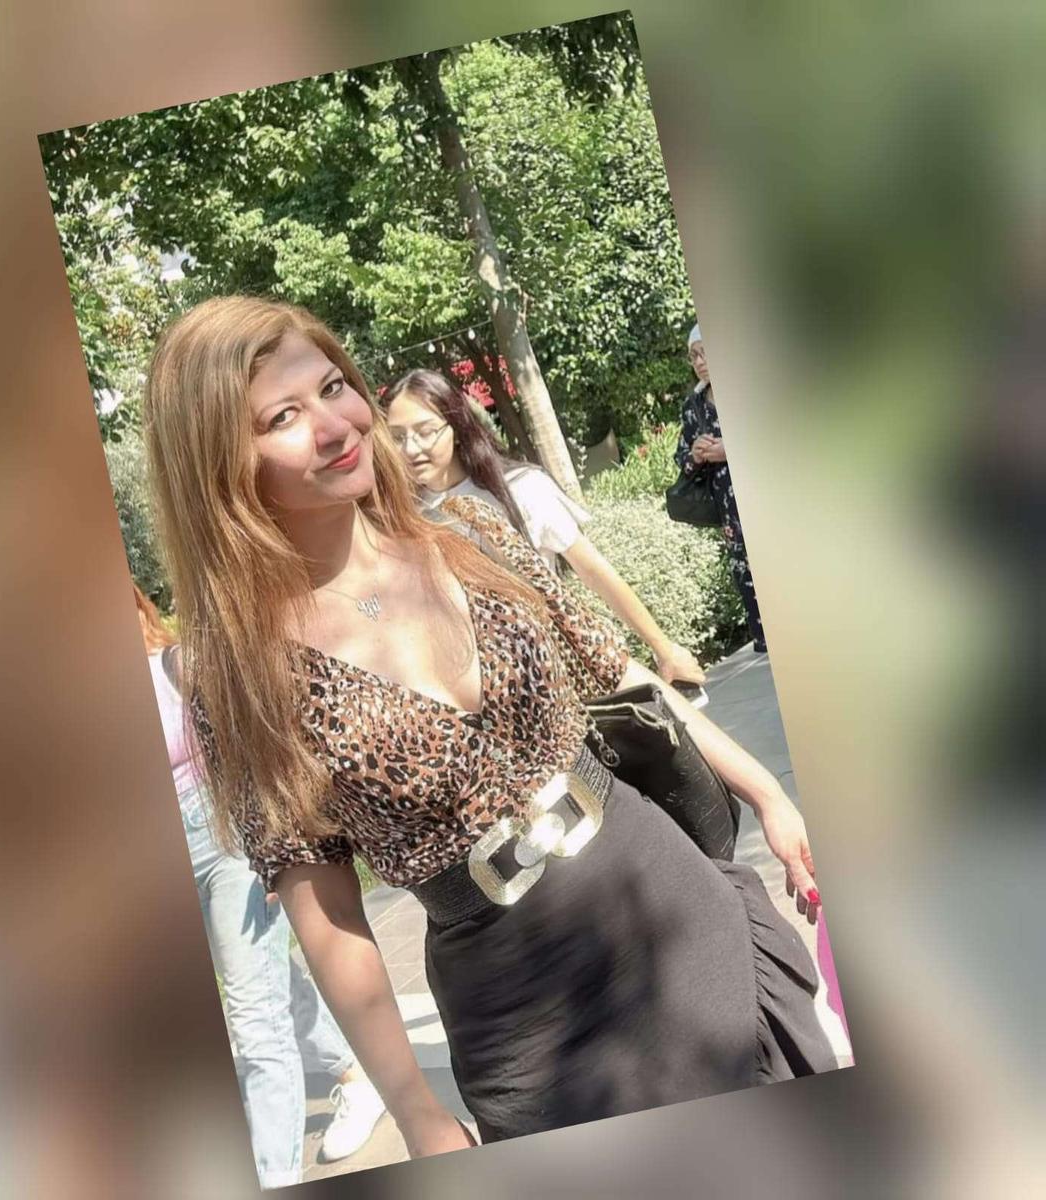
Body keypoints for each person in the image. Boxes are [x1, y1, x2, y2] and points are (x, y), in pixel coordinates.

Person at [142, 295, 835, 1157]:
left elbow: (619, 677)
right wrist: (416, 1112)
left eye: (332, 387)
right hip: (526, 1013)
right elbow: (324, 909)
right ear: (219, 466)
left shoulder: (468, 534)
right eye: (282, 417)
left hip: (667, 900)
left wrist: (768, 793)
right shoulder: (242, 682)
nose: (333, 426)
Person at [132, 583, 386, 1188]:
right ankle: (355, 1078)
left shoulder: (175, 666)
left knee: (253, 1020)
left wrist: (278, 849)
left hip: (226, 849)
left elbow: (256, 748)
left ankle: (274, 1173)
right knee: (272, 985)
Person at [382, 368, 706, 688]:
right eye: (397, 437)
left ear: (456, 428)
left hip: (551, 670)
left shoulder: (520, 488)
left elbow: (592, 569)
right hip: (477, 685)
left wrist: (664, 649)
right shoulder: (406, 517)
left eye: (425, 431)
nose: (410, 449)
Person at [674, 323, 768, 652]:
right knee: (748, 573)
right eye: (694, 356)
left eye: (705, 352)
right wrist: (696, 454)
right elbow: (682, 459)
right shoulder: (693, 407)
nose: (700, 361)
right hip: (733, 516)